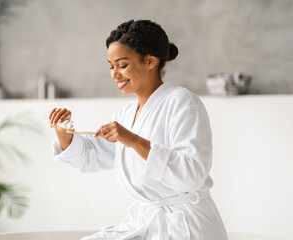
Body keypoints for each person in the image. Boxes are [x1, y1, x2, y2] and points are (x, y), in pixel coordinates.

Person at [49, 19, 228, 240]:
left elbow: (191, 175)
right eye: (111, 66)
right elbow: (91, 156)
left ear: (151, 61)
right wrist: (64, 135)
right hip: (148, 221)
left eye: (122, 65)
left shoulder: (183, 103)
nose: (114, 74)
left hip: (186, 226)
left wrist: (133, 140)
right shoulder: (125, 114)